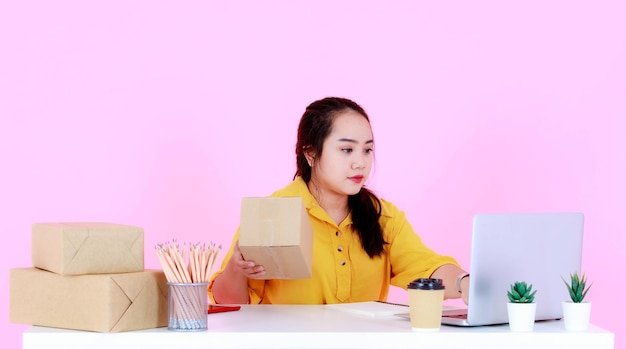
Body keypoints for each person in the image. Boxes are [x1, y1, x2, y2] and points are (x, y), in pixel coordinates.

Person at [209, 96, 470, 305]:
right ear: (311, 153)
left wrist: (464, 283)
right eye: (346, 150)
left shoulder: (383, 217)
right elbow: (228, 303)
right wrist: (236, 268)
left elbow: (425, 266)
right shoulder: (273, 214)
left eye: (367, 149)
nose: (361, 162)